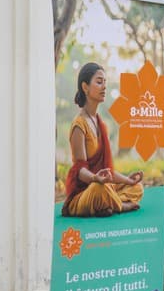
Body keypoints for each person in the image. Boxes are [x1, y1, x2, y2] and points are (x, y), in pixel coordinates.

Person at [62, 62, 144, 217]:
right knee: (100, 189)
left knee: (137, 187)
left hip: (102, 184)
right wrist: (95, 178)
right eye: (99, 82)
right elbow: (79, 171)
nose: (104, 87)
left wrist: (128, 180)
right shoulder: (79, 126)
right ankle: (121, 206)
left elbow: (108, 173)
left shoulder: (101, 124)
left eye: (105, 82)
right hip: (85, 193)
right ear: (85, 87)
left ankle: (107, 205)